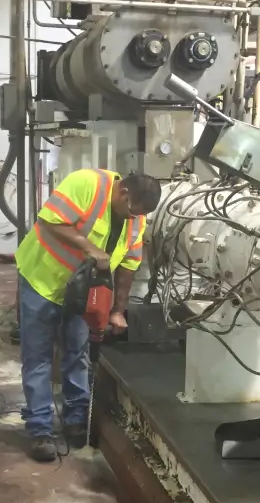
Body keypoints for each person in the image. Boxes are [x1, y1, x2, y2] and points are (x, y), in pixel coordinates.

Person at [15, 168, 161, 462]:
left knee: (77, 355)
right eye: (133, 212)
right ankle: (41, 430)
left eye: (140, 216)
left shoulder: (136, 218)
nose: (135, 219)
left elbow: (129, 266)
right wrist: (92, 249)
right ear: (124, 193)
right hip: (42, 282)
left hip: (82, 295)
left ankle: (75, 420)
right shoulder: (86, 183)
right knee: (39, 358)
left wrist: (118, 311)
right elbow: (50, 220)